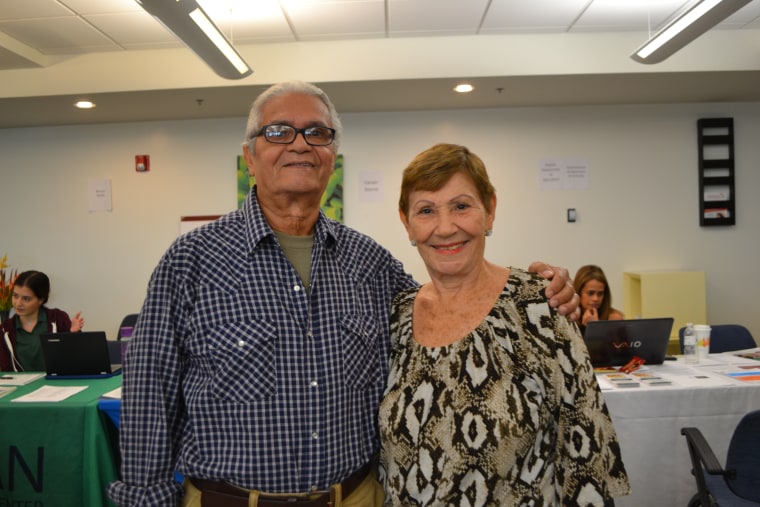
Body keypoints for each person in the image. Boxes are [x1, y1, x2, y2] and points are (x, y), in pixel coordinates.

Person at [107, 81, 580, 507]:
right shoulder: (191, 261)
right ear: (249, 156)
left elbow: (446, 316)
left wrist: (540, 289)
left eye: (318, 133)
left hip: (356, 496)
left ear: (332, 157)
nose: (299, 144)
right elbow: (150, 397)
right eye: (279, 133)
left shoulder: (369, 263)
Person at [378, 143, 630, 506]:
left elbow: (586, 458)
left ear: (490, 210)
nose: (445, 227)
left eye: (461, 206)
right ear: (407, 222)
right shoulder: (397, 317)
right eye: (426, 210)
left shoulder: (540, 306)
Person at [0, 270, 84, 372]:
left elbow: (76, 358)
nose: (18, 303)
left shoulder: (58, 318)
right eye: (15, 296)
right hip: (22, 386)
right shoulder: (5, 329)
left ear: (41, 300)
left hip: (57, 383)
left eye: (26, 299)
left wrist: (73, 335)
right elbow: (7, 370)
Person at [574, 264, 624, 335]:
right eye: (590, 293)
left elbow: (617, 345)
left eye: (600, 294)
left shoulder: (614, 318)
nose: (595, 298)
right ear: (578, 292)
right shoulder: (570, 317)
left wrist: (595, 328)